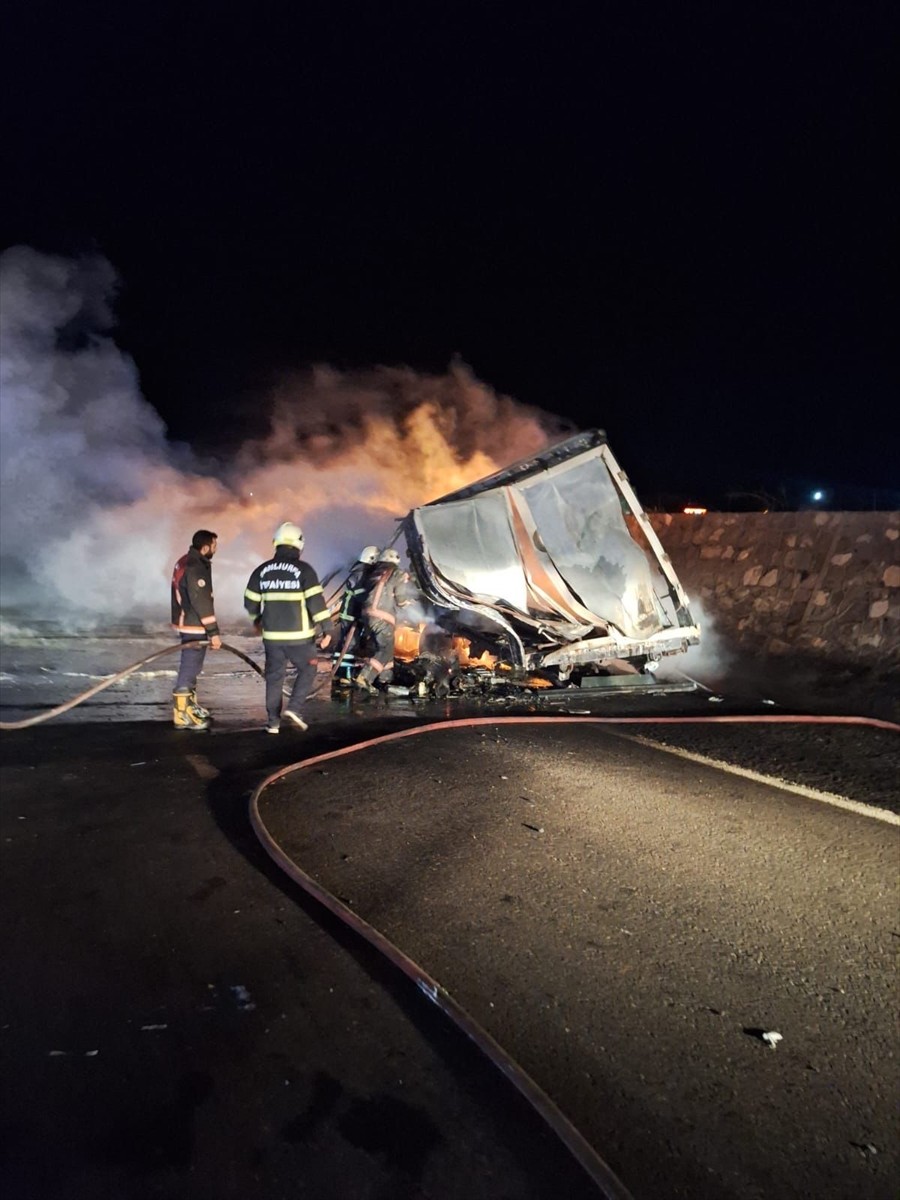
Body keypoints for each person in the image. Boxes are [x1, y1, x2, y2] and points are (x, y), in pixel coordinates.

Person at [244, 521, 334, 733]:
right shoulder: (304, 570)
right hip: (299, 637)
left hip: (272, 637)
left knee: (274, 677)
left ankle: (273, 722)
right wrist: (328, 629)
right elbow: (316, 603)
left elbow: (250, 601)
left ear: (276, 543)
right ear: (299, 545)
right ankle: (294, 708)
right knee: (308, 668)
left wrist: (257, 620)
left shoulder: (262, 570)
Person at [170, 529, 222, 731]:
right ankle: (181, 714)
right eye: (215, 546)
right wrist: (213, 631)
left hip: (189, 621)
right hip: (194, 624)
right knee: (190, 667)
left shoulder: (185, 561)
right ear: (206, 546)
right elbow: (201, 601)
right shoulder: (196, 566)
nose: (216, 550)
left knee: (193, 667)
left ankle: (190, 707)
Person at [354, 548, 419, 694]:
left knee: (384, 648)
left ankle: (385, 679)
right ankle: (364, 678)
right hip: (382, 616)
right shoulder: (397, 572)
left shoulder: (374, 571)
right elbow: (400, 596)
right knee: (385, 649)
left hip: (367, 615)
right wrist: (406, 603)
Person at [332, 545, 380, 683]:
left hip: (351, 612)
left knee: (344, 643)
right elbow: (359, 593)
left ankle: (338, 671)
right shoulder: (361, 572)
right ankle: (344, 675)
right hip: (351, 613)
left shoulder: (359, 570)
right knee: (350, 643)